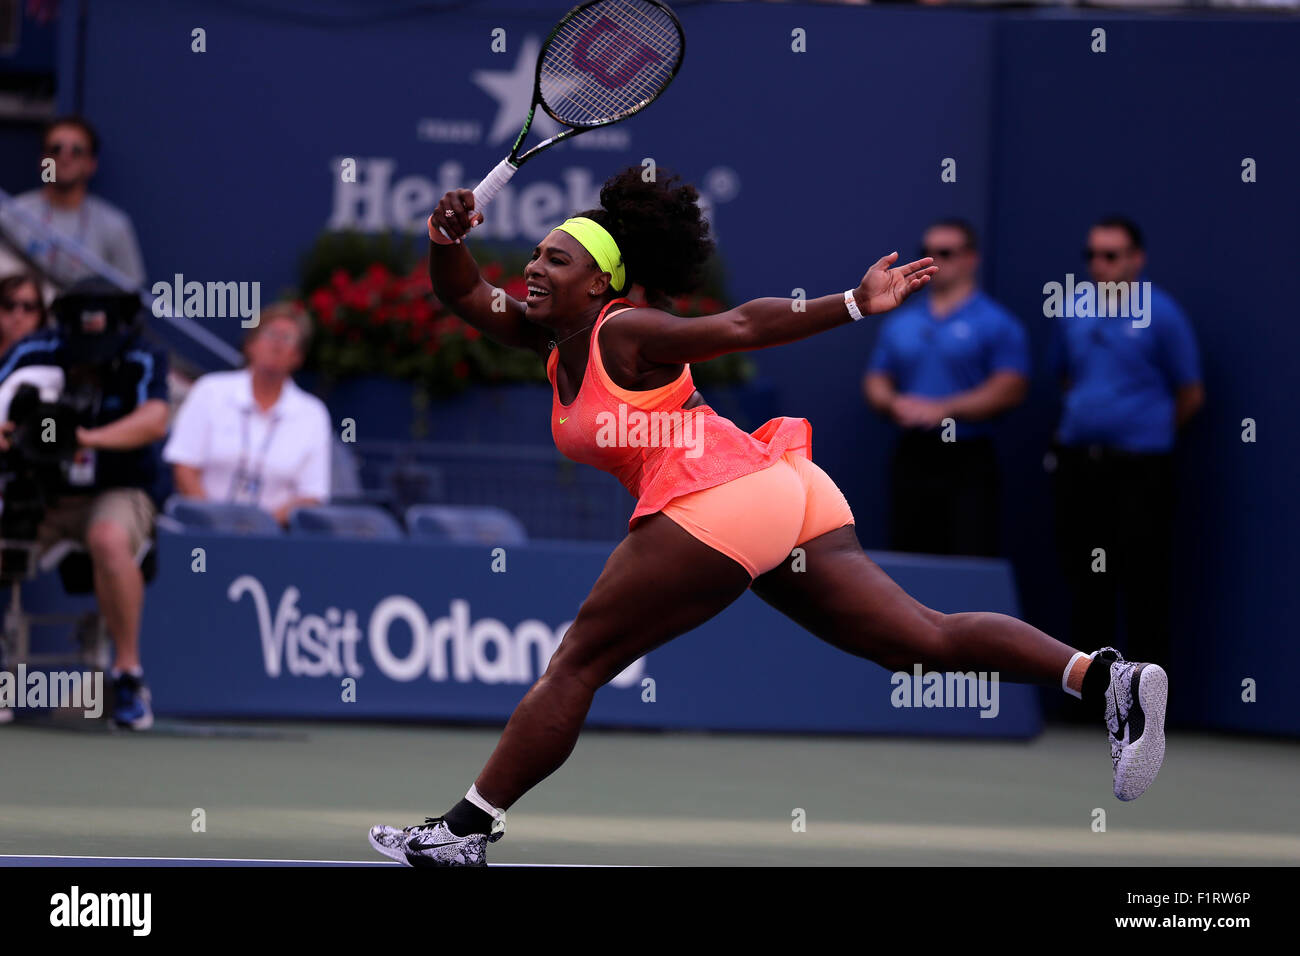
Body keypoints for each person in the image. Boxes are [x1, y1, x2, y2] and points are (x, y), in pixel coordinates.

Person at [367, 169, 1169, 867]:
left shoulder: (627, 331)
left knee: (577, 662)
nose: (535, 269)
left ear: (602, 285)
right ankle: (1108, 679)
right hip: (783, 488)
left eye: (556, 260)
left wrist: (855, 302)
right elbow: (466, 293)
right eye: (536, 255)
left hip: (718, 493)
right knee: (918, 640)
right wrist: (445, 237)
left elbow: (742, 326)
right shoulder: (551, 337)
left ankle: (462, 833)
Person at [0, 279, 168, 729]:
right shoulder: (35, 352)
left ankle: (128, 676)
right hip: (42, 493)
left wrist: (87, 439)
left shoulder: (142, 355)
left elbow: (154, 420)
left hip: (117, 488)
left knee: (109, 538)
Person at [1051, 216, 1203, 668]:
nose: (1099, 265)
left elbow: (1190, 394)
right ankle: (1089, 694)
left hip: (1141, 471)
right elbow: (1064, 378)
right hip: (1080, 466)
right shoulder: (1072, 310)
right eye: (1092, 255)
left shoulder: (1164, 314)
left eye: (1111, 255)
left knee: (1144, 579)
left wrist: (1142, 432)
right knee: (1085, 576)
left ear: (1137, 259)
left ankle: (1145, 698)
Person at [863, 219, 1028, 556]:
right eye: (926, 252)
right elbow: (877, 378)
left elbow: (1011, 386)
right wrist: (893, 403)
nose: (933, 261)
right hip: (912, 453)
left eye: (945, 253)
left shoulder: (997, 322)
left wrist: (945, 409)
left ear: (971, 259)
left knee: (969, 557)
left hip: (968, 458)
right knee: (909, 558)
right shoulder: (901, 321)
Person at [163, 304, 331, 526]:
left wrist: (259, 527)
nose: (277, 345)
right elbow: (184, 466)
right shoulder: (210, 390)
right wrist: (215, 522)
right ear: (250, 344)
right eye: (271, 334)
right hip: (200, 529)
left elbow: (311, 494)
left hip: (275, 539)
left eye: (288, 338)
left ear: (298, 356)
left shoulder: (313, 413)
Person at [1, 116, 147, 287]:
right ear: (43, 161)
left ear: (91, 164)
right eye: (56, 149)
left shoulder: (114, 224)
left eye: (76, 151)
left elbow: (130, 295)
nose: (65, 158)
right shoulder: (11, 215)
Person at [0, 272, 49, 356]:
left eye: (28, 307)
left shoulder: (42, 364)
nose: (18, 316)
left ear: (40, 314)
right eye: (9, 305)